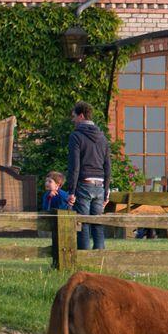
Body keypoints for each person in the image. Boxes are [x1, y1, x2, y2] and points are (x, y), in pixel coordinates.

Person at [66, 102, 110, 250]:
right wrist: (106, 190)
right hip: (100, 184)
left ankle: (84, 258)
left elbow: (74, 166)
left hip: (84, 184)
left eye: (74, 116)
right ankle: (100, 257)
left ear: (81, 116)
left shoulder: (76, 136)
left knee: (83, 224)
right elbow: (107, 166)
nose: (72, 119)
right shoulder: (102, 137)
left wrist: (71, 191)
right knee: (98, 225)